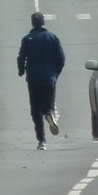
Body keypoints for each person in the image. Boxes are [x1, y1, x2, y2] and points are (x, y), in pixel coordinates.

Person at [17, 12, 65, 151]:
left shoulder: (27, 39)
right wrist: (56, 73)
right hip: (49, 77)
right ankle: (49, 114)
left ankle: (41, 140)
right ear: (43, 22)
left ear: (32, 23)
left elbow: (21, 57)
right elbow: (61, 57)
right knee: (48, 104)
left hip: (33, 78)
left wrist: (21, 70)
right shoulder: (52, 37)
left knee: (35, 110)